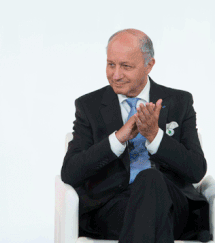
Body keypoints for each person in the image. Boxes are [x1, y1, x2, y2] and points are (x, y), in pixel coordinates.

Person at [61, 29, 210, 242]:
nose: (116, 74)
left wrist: (155, 136)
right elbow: (70, 172)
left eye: (126, 66)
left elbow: (196, 170)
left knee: (150, 180)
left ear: (149, 65)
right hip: (113, 207)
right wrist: (118, 138)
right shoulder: (89, 106)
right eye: (111, 64)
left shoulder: (180, 101)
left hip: (174, 205)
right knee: (154, 220)